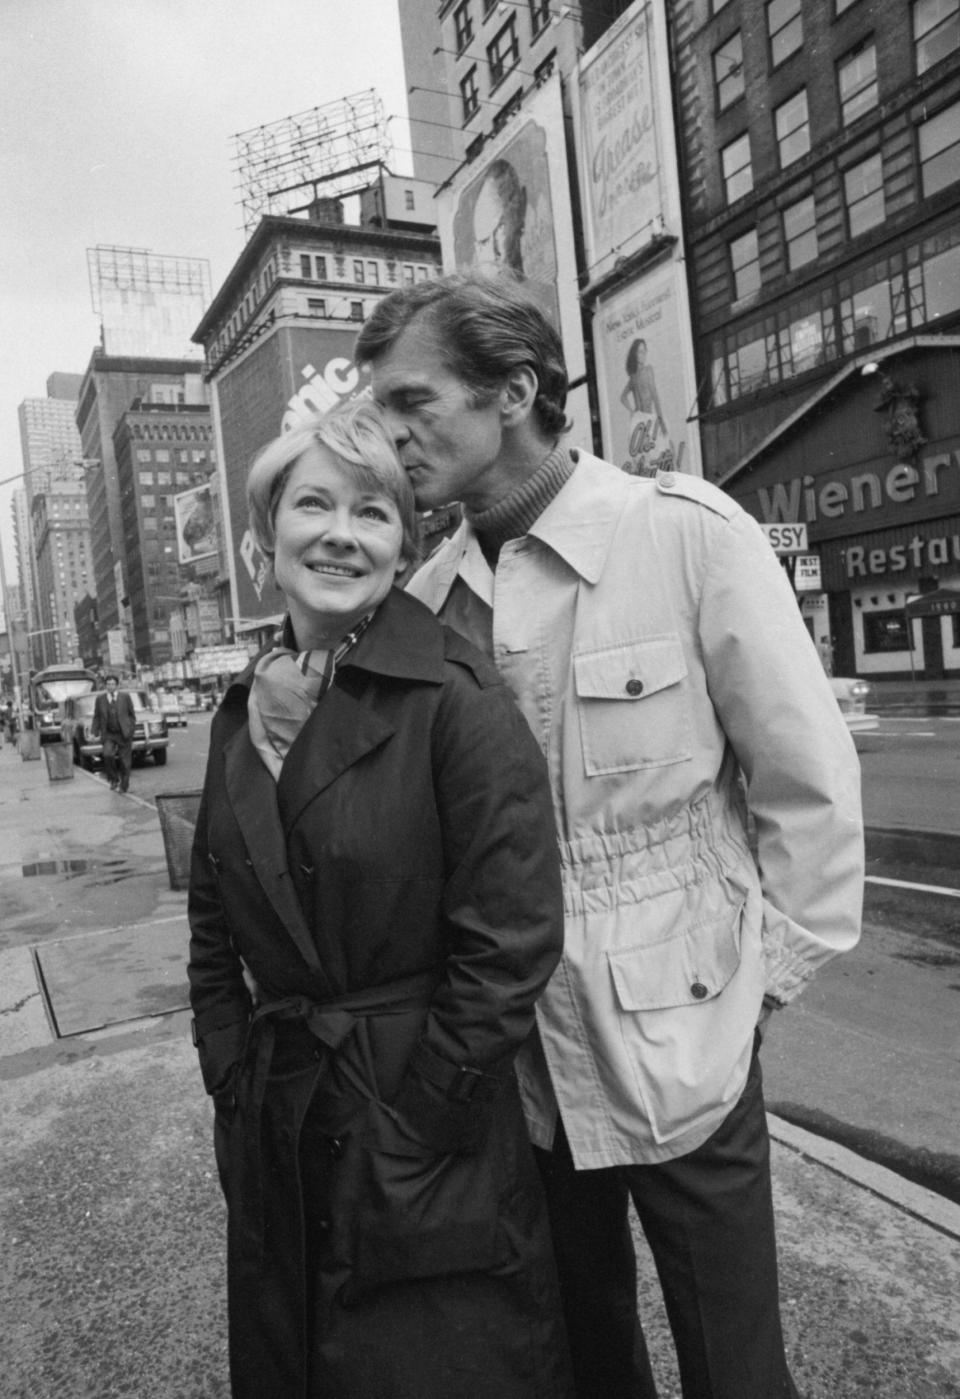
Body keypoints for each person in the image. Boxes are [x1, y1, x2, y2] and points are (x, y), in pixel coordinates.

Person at [357, 273, 865, 1399]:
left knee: (738, 1369)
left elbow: (811, 786)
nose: (389, 431)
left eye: (412, 399)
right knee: (582, 1356)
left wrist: (756, 990)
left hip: (687, 1041)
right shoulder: (426, 602)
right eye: (375, 406)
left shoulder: (682, 535)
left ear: (515, 392)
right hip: (514, 1063)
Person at [187, 399, 574, 1399]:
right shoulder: (241, 713)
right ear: (261, 540)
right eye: (313, 504)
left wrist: (425, 1113)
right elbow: (213, 917)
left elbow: (514, 933)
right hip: (281, 1114)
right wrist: (228, 1070)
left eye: (374, 511)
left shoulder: (453, 695)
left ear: (405, 545)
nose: (341, 533)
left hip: (419, 1126)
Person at [91, 674, 135, 791]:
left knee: (125, 762)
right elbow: (97, 716)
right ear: (105, 685)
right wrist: (94, 731)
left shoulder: (125, 697)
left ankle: (124, 785)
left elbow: (131, 715)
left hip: (123, 733)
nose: (110, 686)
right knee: (107, 755)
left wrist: (130, 729)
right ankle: (114, 779)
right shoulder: (100, 699)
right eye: (108, 684)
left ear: (117, 685)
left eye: (113, 684)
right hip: (109, 734)